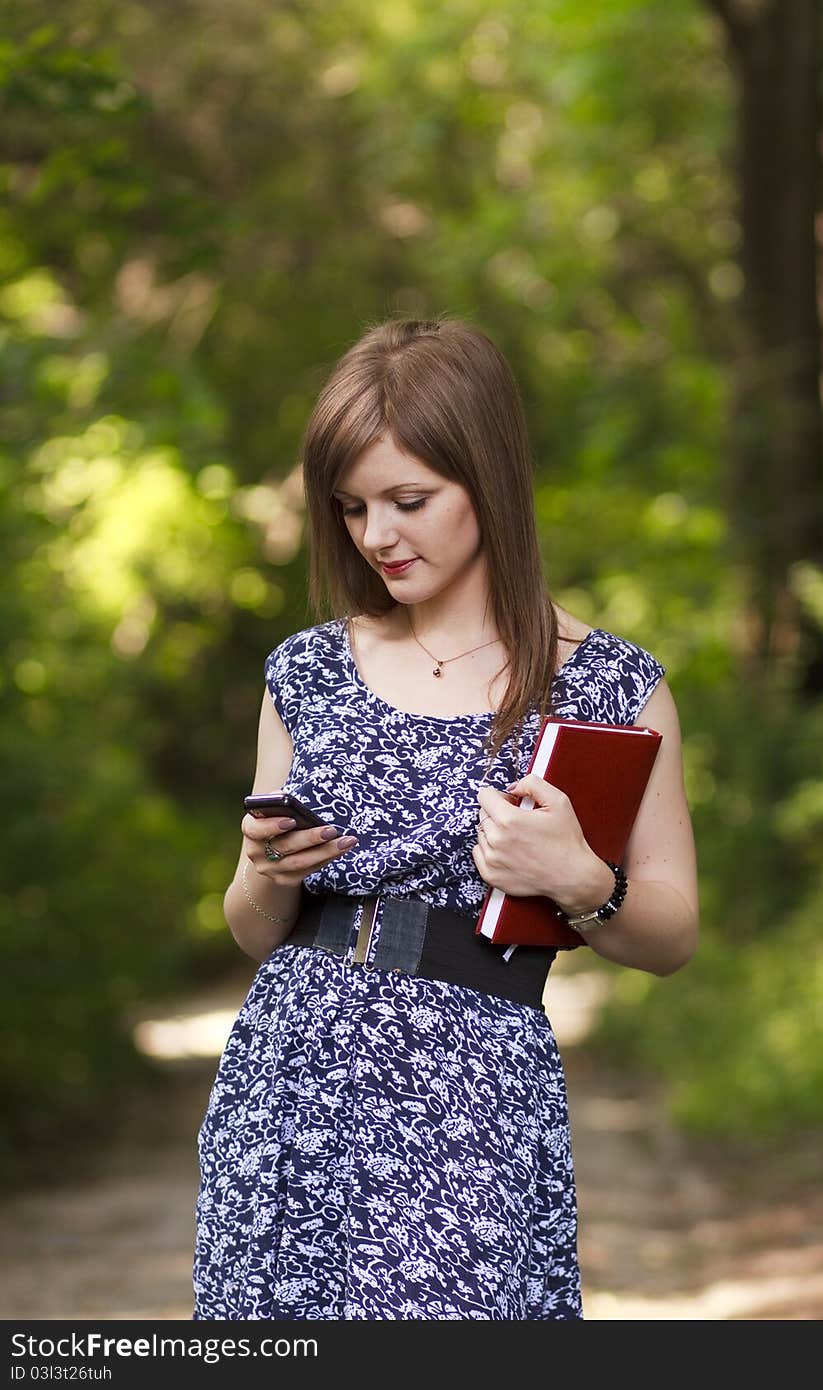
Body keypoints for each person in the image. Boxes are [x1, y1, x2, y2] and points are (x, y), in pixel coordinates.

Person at [192, 317, 698, 1321]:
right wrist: (266, 874)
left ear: (490, 481)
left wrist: (580, 880)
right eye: (352, 507)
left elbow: (671, 933)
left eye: (408, 500)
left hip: (471, 1091)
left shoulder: (607, 685)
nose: (377, 534)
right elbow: (252, 930)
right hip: (291, 1077)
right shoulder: (307, 669)